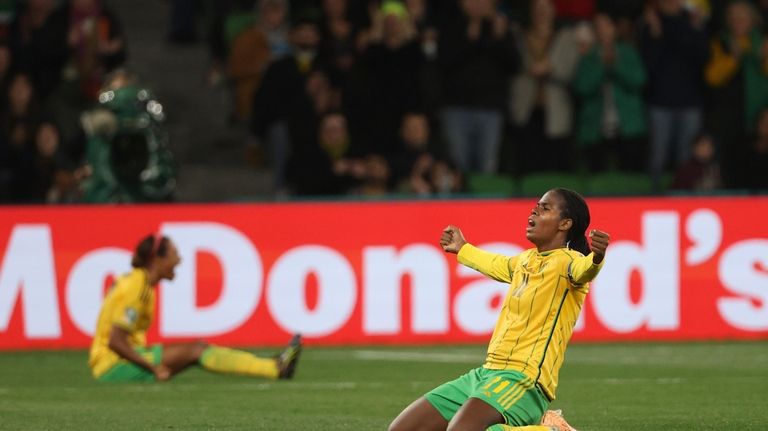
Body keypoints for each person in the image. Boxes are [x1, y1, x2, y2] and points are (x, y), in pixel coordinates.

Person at [389, 188, 611, 431]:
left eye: (545, 208)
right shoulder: (525, 260)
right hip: (486, 374)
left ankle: (553, 429)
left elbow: (584, 271)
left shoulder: (568, 262)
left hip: (523, 382)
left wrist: (597, 258)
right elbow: (496, 264)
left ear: (565, 223)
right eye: (536, 205)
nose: (535, 210)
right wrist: (462, 248)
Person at [88, 234, 302, 382]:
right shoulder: (138, 288)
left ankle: (272, 366)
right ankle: (274, 368)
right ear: (157, 259)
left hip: (116, 362)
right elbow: (115, 341)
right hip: (113, 365)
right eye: (174, 255)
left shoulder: (138, 282)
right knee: (196, 350)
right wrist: (153, 368)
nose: (179, 260)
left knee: (196, 351)